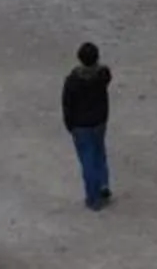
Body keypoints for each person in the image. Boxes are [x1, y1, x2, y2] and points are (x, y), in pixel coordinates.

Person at [61, 41, 113, 209]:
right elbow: (106, 73)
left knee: (87, 159)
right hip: (99, 121)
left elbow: (67, 104)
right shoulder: (102, 75)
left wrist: (69, 125)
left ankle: (93, 197)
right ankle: (104, 183)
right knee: (100, 152)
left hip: (80, 125)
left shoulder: (72, 81)